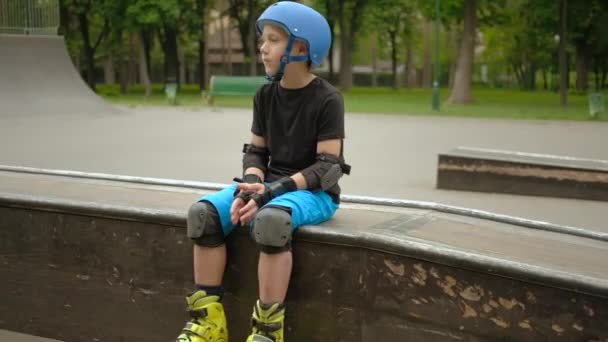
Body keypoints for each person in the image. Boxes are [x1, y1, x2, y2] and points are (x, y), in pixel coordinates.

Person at [176, 2, 349, 341]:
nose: (262, 47)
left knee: (271, 222)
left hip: (313, 194)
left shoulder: (328, 99)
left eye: (273, 39)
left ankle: (267, 333)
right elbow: (257, 151)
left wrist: (272, 191)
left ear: (301, 48)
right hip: (268, 188)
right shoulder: (265, 94)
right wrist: (251, 186)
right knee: (203, 215)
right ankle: (209, 324)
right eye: (262, 39)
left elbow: (328, 168)